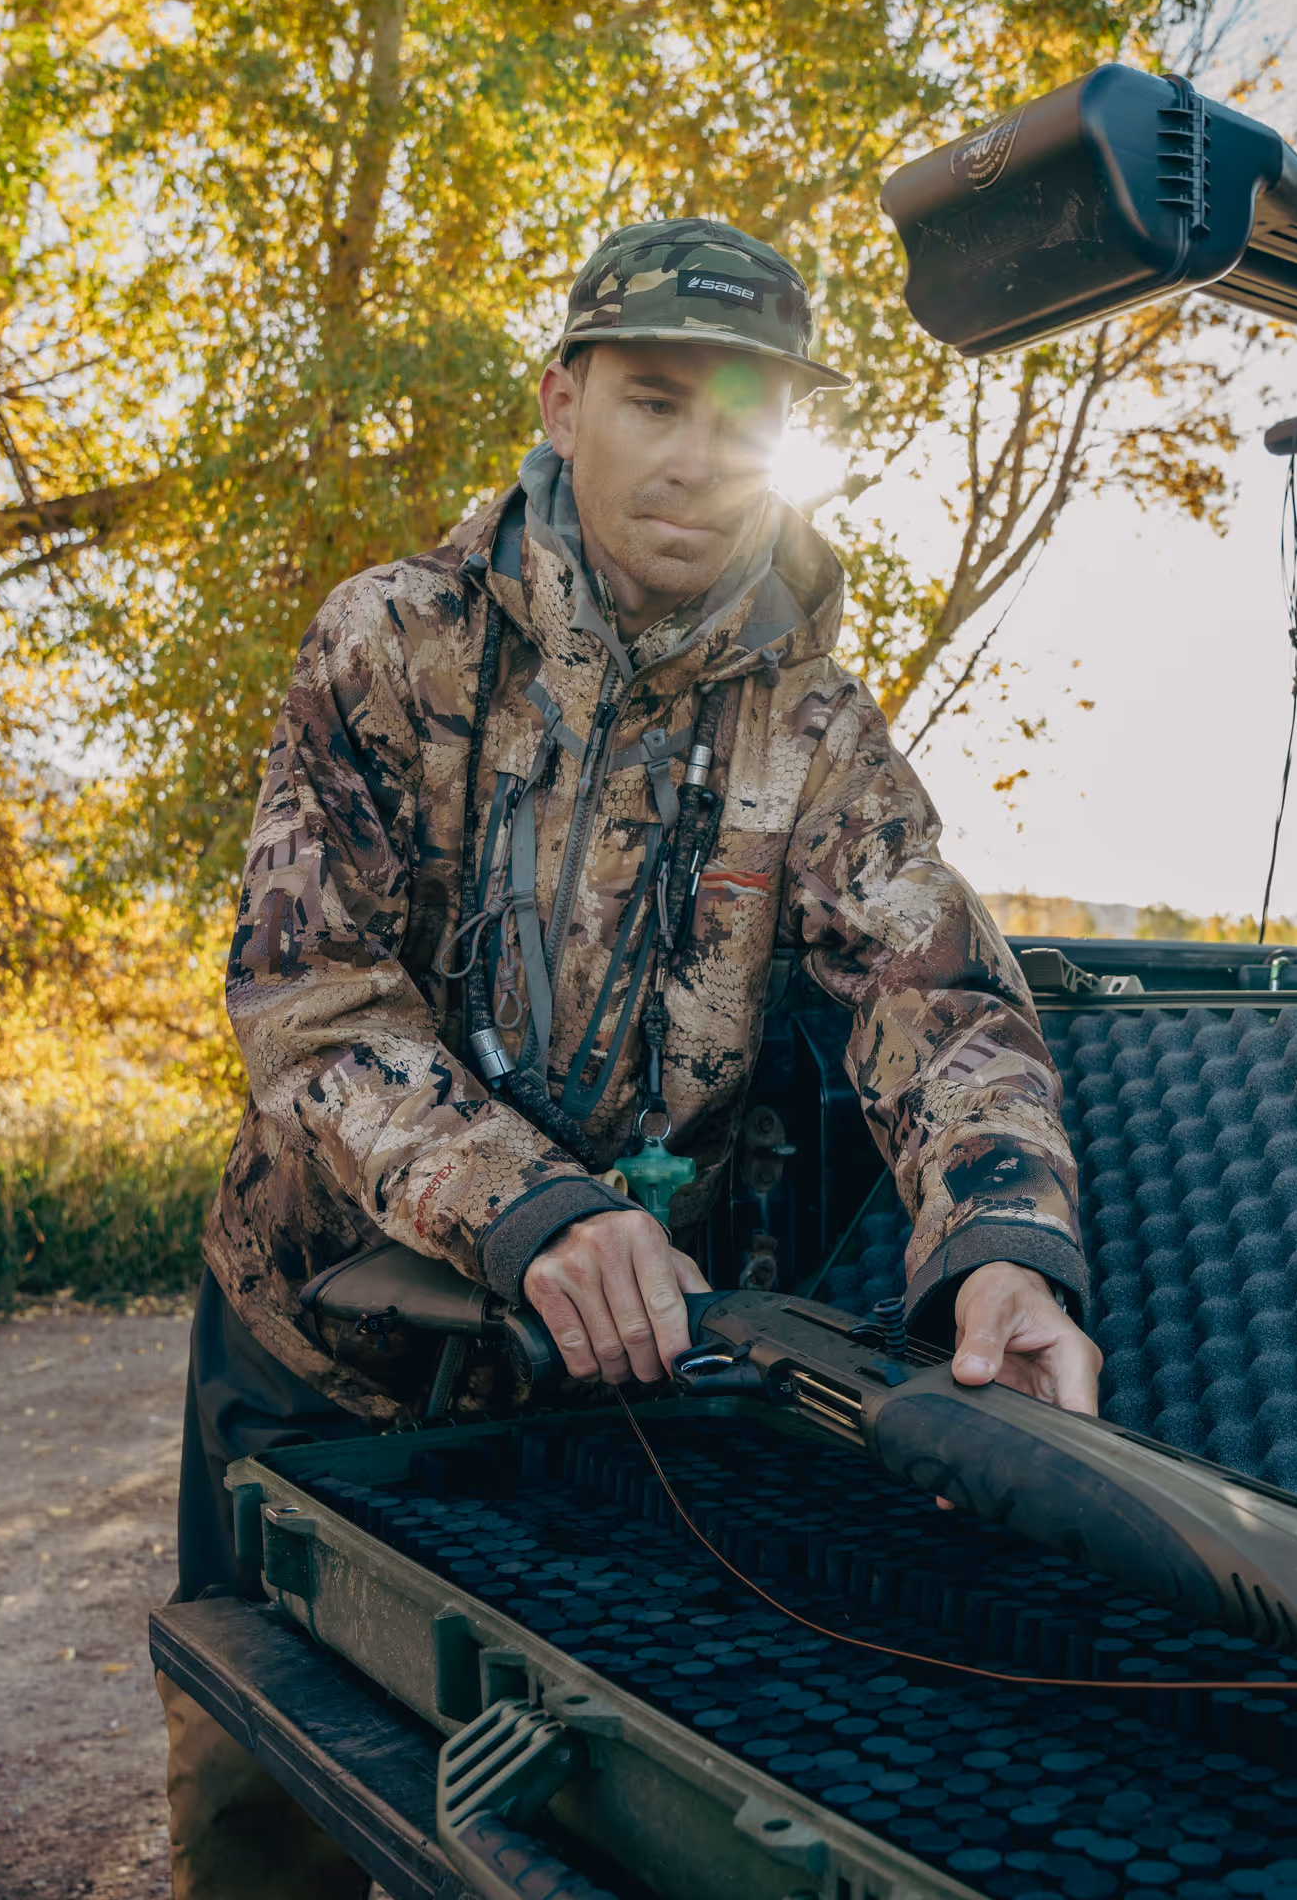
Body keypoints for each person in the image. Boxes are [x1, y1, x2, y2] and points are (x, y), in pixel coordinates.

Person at [155, 219, 1102, 1899]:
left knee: (560, 1822)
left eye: (743, 417)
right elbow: (313, 1014)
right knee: (268, 1810)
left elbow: (936, 998)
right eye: (654, 399)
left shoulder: (818, 730)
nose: (697, 457)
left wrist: (1002, 1252)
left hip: (611, 1401)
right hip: (323, 1347)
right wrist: (541, 1211)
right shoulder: (388, 640)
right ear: (561, 401)